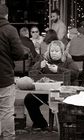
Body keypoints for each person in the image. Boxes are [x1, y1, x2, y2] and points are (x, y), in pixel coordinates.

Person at [24, 40, 79, 131]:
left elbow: (75, 74)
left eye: (57, 51)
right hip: (45, 92)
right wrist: (39, 66)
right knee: (29, 99)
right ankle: (40, 123)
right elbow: (32, 74)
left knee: (65, 105)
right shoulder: (44, 60)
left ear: (62, 52)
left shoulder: (68, 60)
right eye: (52, 51)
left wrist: (58, 69)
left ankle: (66, 126)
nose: (54, 53)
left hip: (63, 93)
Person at [0, 4, 29, 140]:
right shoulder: (9, 30)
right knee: (6, 111)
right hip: (4, 76)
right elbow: (18, 54)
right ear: (6, 15)